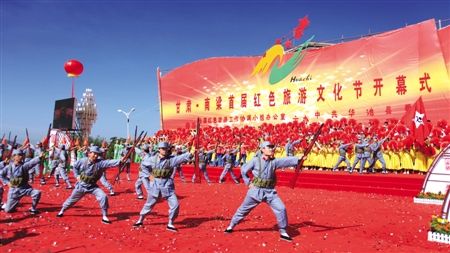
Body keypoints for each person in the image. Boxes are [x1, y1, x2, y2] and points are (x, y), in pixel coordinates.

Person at [223, 141, 304, 242]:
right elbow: (243, 170)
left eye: (271, 147)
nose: (271, 149)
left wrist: (298, 158)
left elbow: (285, 161)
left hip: (270, 192)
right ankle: (231, 225)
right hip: (255, 191)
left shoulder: (274, 161)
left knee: (281, 208)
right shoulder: (255, 160)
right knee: (243, 210)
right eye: (268, 147)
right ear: (262, 149)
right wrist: (248, 183)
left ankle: (283, 232)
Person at [133, 142, 194, 232]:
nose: (165, 150)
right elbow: (142, 166)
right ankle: (140, 219)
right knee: (148, 205)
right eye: (163, 149)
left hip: (167, 185)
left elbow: (181, 158)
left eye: (166, 149)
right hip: (155, 185)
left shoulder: (171, 160)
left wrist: (191, 154)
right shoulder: (152, 159)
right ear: (159, 149)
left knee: (175, 205)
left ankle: (170, 223)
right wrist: (148, 175)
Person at [56, 146, 125, 224]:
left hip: (92, 187)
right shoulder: (82, 161)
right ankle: (62, 211)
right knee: (71, 200)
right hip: (81, 186)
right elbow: (75, 167)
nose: (95, 156)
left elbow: (108, 162)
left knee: (103, 197)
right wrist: (77, 176)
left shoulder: (100, 162)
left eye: (97, 154)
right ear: (89, 153)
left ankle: (104, 216)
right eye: (94, 154)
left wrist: (119, 161)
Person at [0, 149, 45, 213]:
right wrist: (7, 183)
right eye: (19, 155)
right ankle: (8, 205)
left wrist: (39, 157)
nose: (21, 157)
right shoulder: (8, 167)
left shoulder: (24, 166)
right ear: (14, 156)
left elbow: (31, 163)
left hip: (24, 188)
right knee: (8, 210)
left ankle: (33, 208)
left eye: (22, 155)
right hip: (14, 191)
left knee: (37, 193)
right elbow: (1, 175)